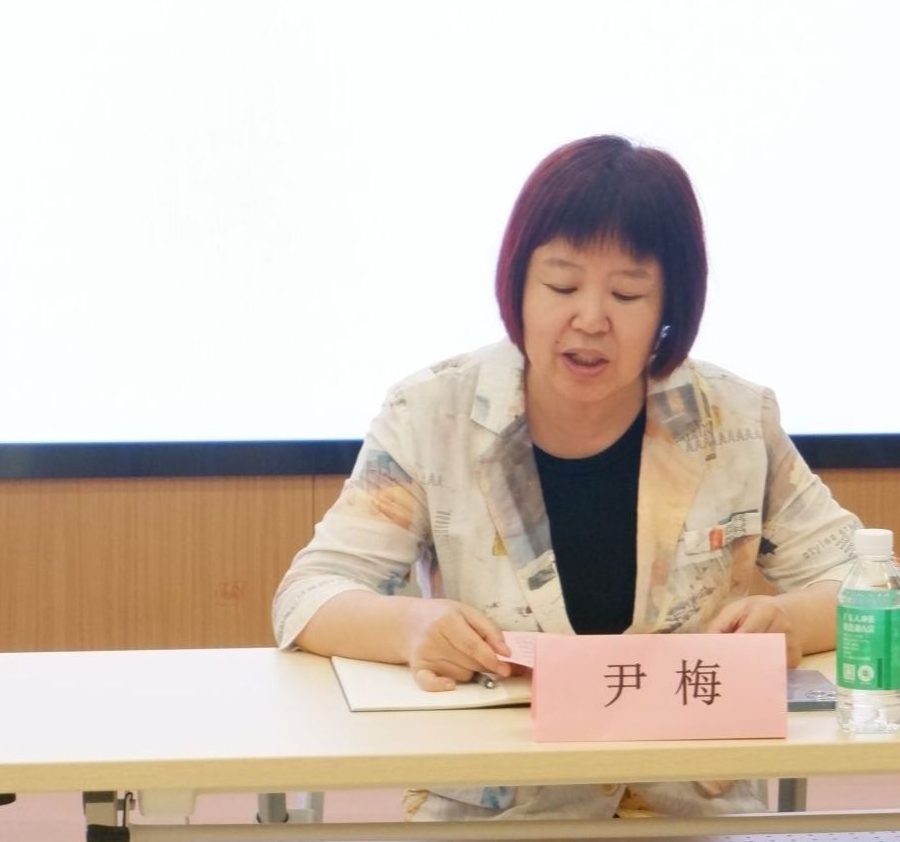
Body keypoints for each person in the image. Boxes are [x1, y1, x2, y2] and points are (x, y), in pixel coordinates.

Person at [272, 134, 863, 821]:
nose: (590, 319)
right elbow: (307, 595)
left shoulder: (731, 420)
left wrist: (790, 621)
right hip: (496, 813)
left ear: (670, 306)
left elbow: (877, 584)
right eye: (561, 285)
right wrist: (411, 627)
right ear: (517, 287)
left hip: (686, 813)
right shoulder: (433, 413)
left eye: (627, 292)